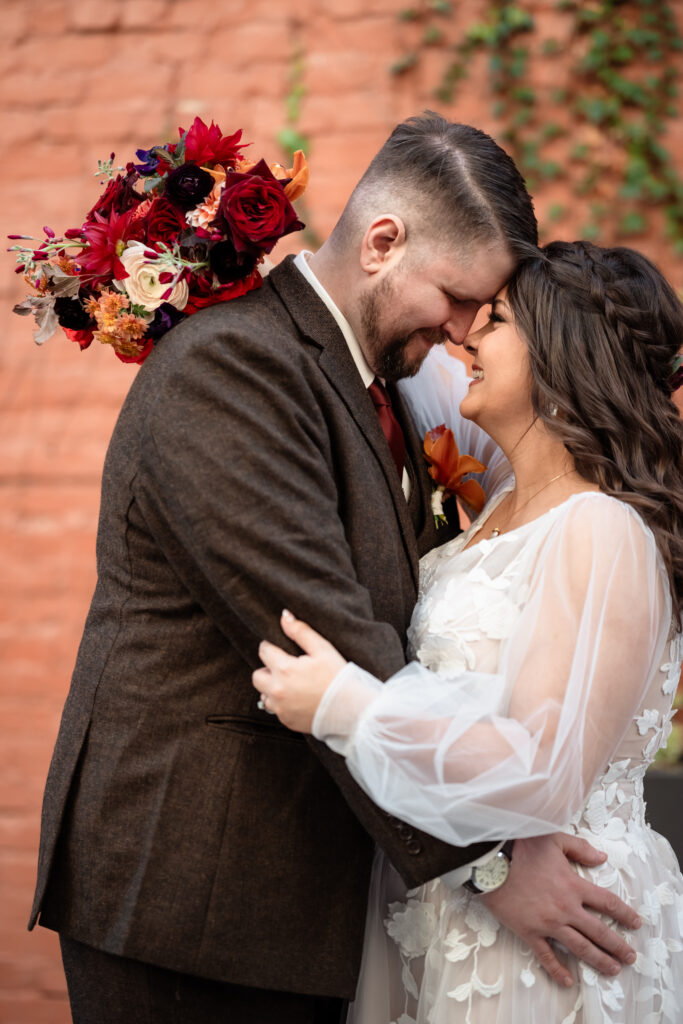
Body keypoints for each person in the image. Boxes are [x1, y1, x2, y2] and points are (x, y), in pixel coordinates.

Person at [31, 112, 638, 1024]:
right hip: (198, 899)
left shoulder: (389, 381)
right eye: (457, 296)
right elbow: (318, 631)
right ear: (382, 243)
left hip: (302, 904)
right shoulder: (234, 368)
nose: (467, 329)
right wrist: (493, 859)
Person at [253, 240, 683, 1023]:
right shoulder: (481, 520)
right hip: (446, 908)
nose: (466, 338)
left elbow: (544, 774)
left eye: (498, 321)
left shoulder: (599, 527)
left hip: (557, 919)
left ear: (562, 350)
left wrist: (349, 708)